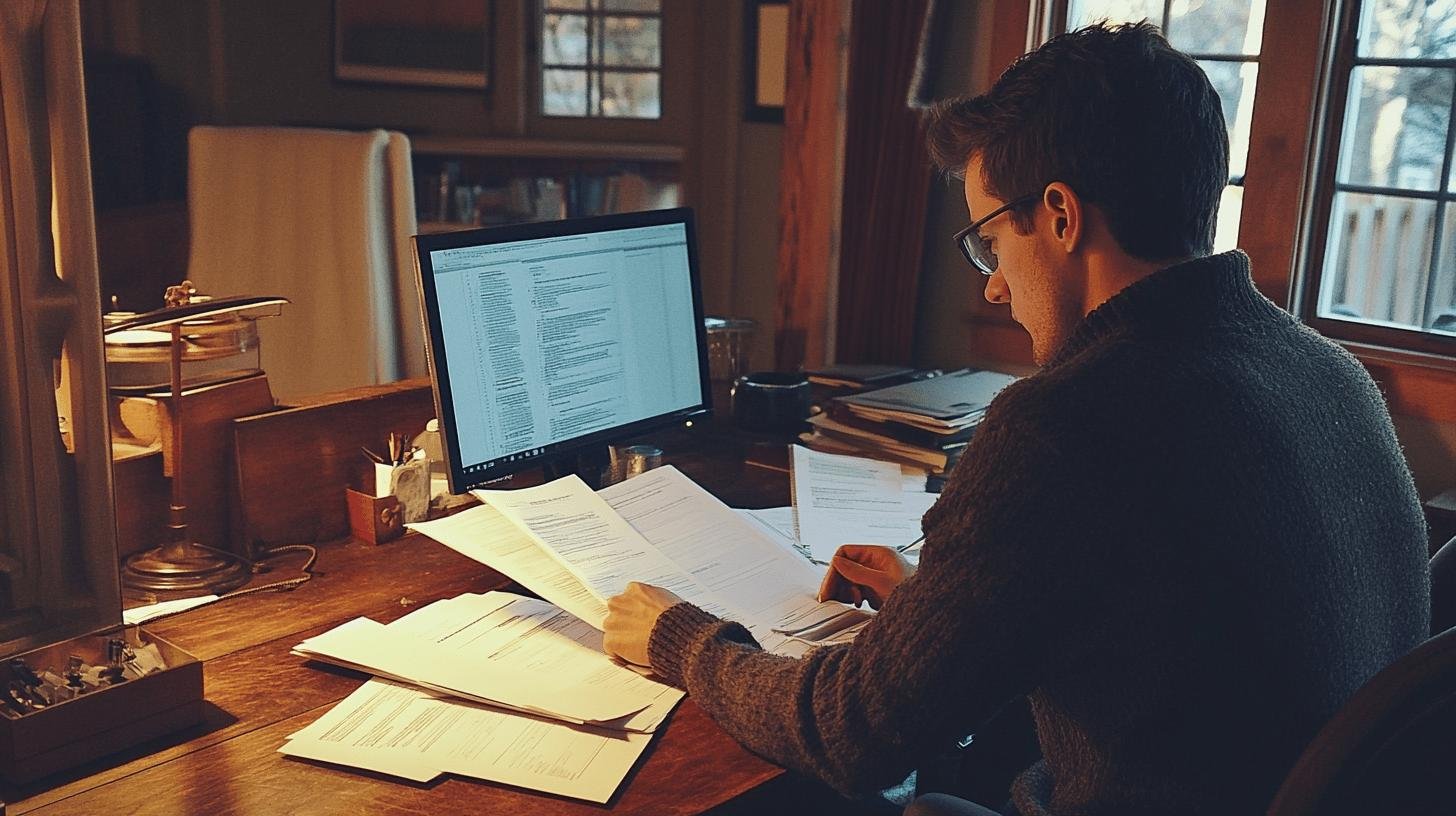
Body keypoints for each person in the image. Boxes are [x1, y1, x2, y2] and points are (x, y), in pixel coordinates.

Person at [602, 21, 1430, 816]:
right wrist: (946, 610)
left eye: (991, 242)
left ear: (1062, 217)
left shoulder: (1065, 425)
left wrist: (681, 639)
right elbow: (1183, 628)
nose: (993, 285)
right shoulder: (1330, 372)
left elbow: (851, 735)